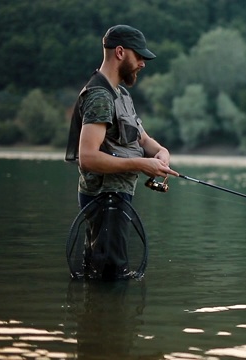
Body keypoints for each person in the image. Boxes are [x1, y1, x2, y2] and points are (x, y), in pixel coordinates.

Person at [65, 25, 179, 279]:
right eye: (138, 56)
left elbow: (143, 139)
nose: (142, 63)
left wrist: (161, 152)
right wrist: (141, 165)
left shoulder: (121, 94)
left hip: (117, 199)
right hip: (104, 200)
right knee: (109, 278)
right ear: (120, 52)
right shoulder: (99, 96)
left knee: (109, 274)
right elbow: (88, 157)